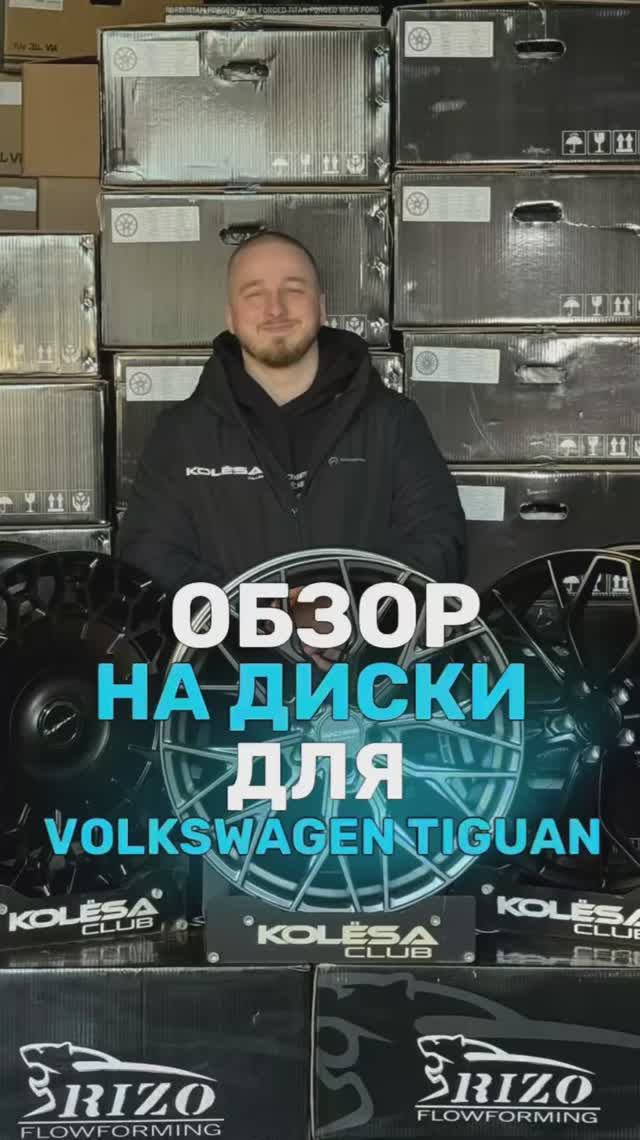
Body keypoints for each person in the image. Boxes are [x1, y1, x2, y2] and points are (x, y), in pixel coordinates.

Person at [118, 231, 466, 606]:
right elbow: (149, 559)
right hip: (230, 645)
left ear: (322, 307)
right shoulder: (180, 436)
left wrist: (343, 610)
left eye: (294, 290)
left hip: (367, 642)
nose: (275, 309)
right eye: (254, 294)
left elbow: (439, 544)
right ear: (231, 317)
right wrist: (267, 612)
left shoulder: (393, 423)